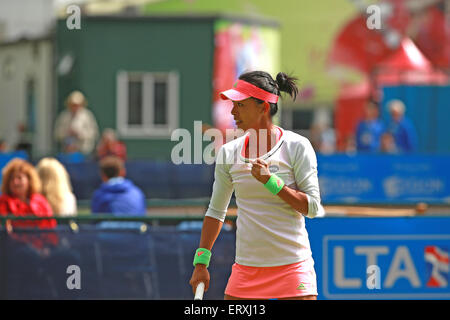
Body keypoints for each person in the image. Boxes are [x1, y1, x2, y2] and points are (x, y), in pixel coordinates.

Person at [189, 71, 325, 300]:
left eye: (240, 105)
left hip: (293, 267)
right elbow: (215, 212)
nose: (233, 112)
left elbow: (312, 208)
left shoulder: (298, 146)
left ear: (262, 107)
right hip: (246, 270)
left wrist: (271, 183)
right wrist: (201, 262)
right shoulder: (228, 153)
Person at [0, 158, 56, 228]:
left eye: (19, 178)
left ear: (29, 180)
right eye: (11, 179)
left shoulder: (40, 201)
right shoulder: (3, 202)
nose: (15, 182)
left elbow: (50, 226)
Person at [54, 90, 99, 155]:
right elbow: (57, 134)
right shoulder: (64, 116)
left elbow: (94, 133)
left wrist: (79, 134)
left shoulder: (87, 116)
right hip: (66, 152)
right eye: (73, 105)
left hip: (84, 152)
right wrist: (66, 133)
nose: (75, 107)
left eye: (77, 105)